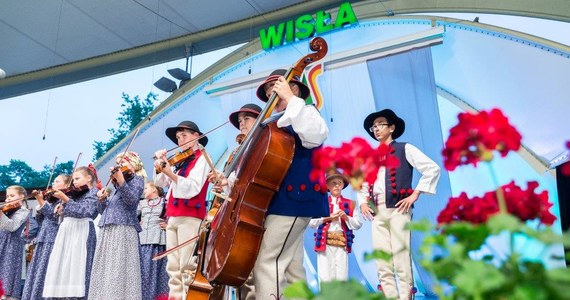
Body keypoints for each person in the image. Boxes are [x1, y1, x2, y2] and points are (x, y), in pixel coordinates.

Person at [213, 69, 329, 298]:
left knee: (267, 262)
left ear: (293, 88)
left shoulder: (304, 111)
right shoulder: (271, 126)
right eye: (268, 92)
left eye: (275, 89)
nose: (271, 96)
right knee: (293, 268)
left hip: (293, 201)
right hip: (278, 203)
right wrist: (227, 182)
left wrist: (291, 98)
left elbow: (315, 135)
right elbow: (253, 174)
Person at [211, 103, 308, 300]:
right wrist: (225, 183)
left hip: (280, 209)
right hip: (258, 211)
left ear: (260, 120)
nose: (241, 124)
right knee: (283, 267)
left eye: (246, 119)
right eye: (239, 121)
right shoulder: (245, 148)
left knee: (290, 267)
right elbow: (241, 183)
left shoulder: (270, 141)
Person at [358, 109, 440, 300]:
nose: (376, 129)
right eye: (374, 126)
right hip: (377, 212)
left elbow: (432, 169)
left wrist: (415, 194)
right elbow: (362, 183)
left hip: (399, 210)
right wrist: (363, 203)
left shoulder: (405, 148)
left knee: (401, 258)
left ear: (392, 127)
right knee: (382, 260)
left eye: (380, 125)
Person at [154, 120, 211, 300]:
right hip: (173, 216)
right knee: (172, 266)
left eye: (184, 135)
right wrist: (161, 166)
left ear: (197, 136)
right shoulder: (181, 160)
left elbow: (193, 187)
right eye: (178, 137)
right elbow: (160, 183)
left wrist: (170, 173)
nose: (180, 140)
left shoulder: (202, 158)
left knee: (187, 266)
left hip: (190, 216)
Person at [88, 152, 146, 299]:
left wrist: (121, 181)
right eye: (117, 163)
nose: (118, 166)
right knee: (106, 266)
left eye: (122, 163)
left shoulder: (137, 180)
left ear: (134, 164)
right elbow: (103, 211)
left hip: (123, 227)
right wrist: (101, 200)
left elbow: (131, 200)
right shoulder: (116, 185)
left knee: (119, 266)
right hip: (108, 228)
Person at [43, 165, 100, 299]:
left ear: (89, 178)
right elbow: (70, 209)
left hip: (82, 229)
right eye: (73, 179)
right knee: (64, 265)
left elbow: (87, 211)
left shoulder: (94, 192)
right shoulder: (76, 193)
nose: (74, 182)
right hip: (68, 230)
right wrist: (61, 208)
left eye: (77, 178)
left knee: (79, 266)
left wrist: (66, 199)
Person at [22, 174, 71, 300]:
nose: (53, 184)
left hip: (53, 240)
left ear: (66, 185)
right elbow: (40, 220)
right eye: (53, 181)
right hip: (42, 238)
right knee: (37, 272)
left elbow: (54, 218)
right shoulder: (51, 200)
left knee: (46, 271)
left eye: (57, 181)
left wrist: (40, 201)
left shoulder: (65, 200)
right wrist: (40, 206)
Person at [309, 172, 362, 283]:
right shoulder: (320, 203)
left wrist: (346, 217)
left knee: (341, 277)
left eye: (339, 183)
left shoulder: (350, 203)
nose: (337, 186)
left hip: (341, 245)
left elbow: (357, 224)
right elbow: (312, 223)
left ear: (343, 185)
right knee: (325, 277)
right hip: (325, 244)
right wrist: (328, 218)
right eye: (333, 183)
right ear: (327, 186)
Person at [137, 181, 169, 300]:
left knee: (157, 272)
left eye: (146, 188)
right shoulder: (141, 203)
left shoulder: (165, 202)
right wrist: (137, 223)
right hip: (143, 241)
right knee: (144, 272)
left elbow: (171, 216)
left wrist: (168, 225)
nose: (144, 191)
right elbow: (131, 215)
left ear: (154, 190)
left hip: (158, 241)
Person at [0, 185, 30, 300]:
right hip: (1, 243)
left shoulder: (23, 211)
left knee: (7, 275)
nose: (8, 199)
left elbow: (11, 226)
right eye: (7, 196)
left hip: (10, 247)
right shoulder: (7, 210)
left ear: (22, 197)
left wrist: (1, 214)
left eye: (12, 196)